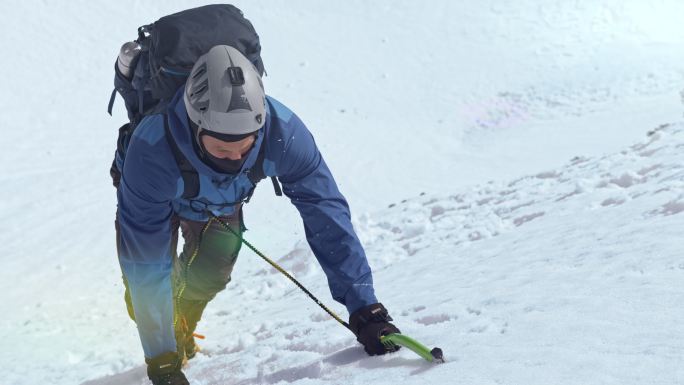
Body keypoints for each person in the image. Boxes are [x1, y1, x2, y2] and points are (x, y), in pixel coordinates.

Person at [115, 44, 400, 385]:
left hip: (220, 202)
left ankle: (182, 325)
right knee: (143, 293)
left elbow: (327, 215)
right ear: (195, 126)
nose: (235, 158)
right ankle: (169, 339)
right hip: (157, 195)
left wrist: (365, 309)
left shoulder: (283, 132)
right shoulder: (152, 153)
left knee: (212, 275)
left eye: (245, 146)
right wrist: (160, 360)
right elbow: (145, 263)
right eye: (221, 148)